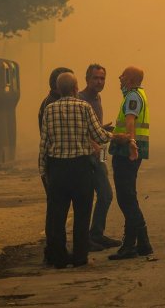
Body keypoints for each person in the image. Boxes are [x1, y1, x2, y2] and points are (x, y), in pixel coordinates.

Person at [39, 72, 118, 268]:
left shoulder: (49, 110)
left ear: (59, 89)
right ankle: (80, 257)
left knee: (58, 215)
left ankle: (58, 258)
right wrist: (116, 136)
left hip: (57, 168)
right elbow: (99, 136)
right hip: (81, 167)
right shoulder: (84, 107)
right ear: (75, 89)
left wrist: (43, 170)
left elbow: (44, 143)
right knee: (82, 214)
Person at [107, 66, 153, 260]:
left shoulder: (133, 96)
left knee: (126, 198)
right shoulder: (138, 94)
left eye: (123, 75)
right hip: (131, 150)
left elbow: (130, 121)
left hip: (127, 151)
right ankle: (142, 244)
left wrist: (131, 143)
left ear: (132, 80)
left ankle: (132, 245)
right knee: (129, 196)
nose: (120, 78)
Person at [77, 63, 122, 252]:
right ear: (87, 79)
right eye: (95, 78)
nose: (99, 81)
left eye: (102, 78)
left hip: (100, 153)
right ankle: (90, 236)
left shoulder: (97, 98)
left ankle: (96, 234)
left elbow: (94, 129)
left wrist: (104, 130)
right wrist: (94, 144)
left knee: (104, 194)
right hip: (87, 155)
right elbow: (79, 130)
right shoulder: (80, 100)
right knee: (103, 194)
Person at [37, 66, 73, 264]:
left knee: (55, 208)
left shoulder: (53, 103)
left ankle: (54, 250)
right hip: (57, 164)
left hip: (55, 163)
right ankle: (55, 251)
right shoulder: (52, 105)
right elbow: (49, 139)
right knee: (56, 209)